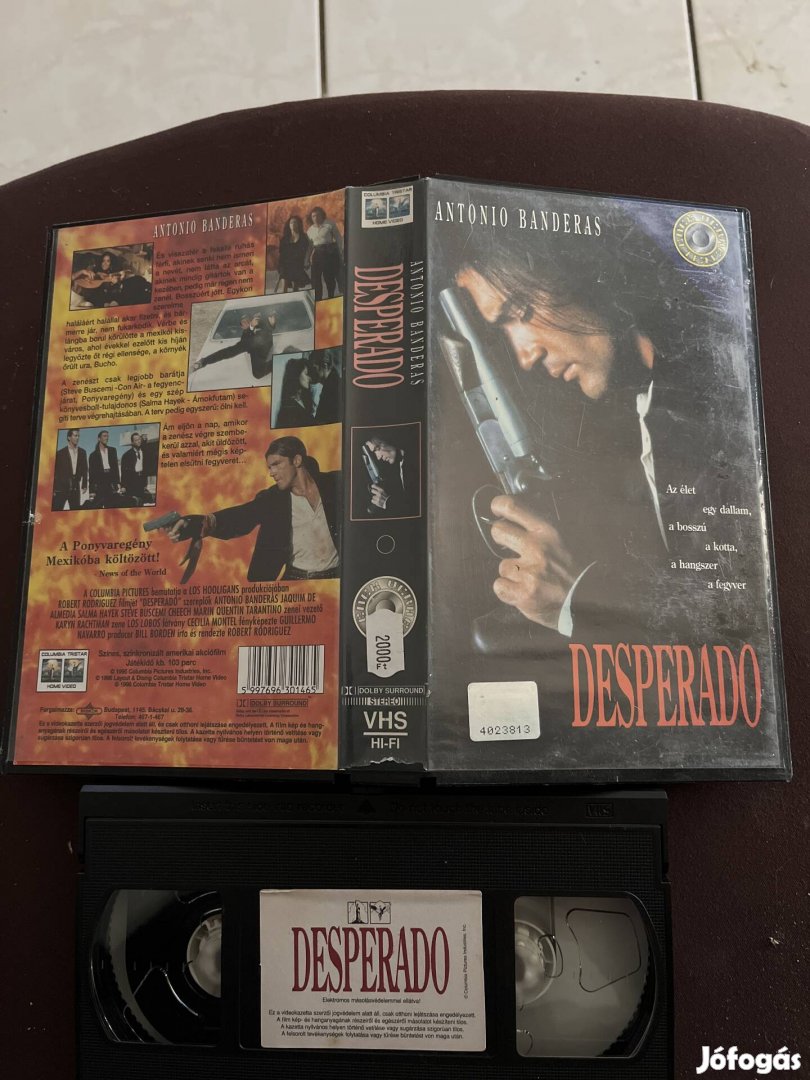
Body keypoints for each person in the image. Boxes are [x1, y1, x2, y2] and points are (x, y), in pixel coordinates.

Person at [443, 207, 744, 648]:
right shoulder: (649, 404)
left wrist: (572, 602)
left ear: (574, 267)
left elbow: (728, 636)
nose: (524, 356)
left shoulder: (719, 401)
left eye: (520, 310)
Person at [166, 436, 339, 582]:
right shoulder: (272, 499)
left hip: (337, 579)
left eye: (276, 464)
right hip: (296, 581)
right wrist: (195, 524)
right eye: (269, 467)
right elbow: (241, 517)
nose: (271, 473)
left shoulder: (336, 484)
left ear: (297, 460)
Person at [191, 311, 276, 381]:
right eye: (243, 322)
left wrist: (271, 324)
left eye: (247, 321)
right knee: (257, 374)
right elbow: (225, 353)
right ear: (242, 327)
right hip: (259, 355)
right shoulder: (246, 336)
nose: (246, 323)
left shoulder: (260, 326)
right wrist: (204, 361)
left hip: (267, 347)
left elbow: (268, 330)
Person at [363, 431, 418, 517]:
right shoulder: (400, 465)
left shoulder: (415, 458)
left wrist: (387, 502)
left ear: (386, 439)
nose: (378, 457)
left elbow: (415, 506)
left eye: (377, 449)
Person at [306, 206, 343, 301]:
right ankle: (318, 299)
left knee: (329, 277)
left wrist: (341, 252)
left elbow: (338, 238)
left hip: (329, 253)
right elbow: (310, 246)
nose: (316, 218)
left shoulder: (329, 224)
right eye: (313, 216)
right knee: (315, 279)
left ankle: (330, 296)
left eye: (318, 215)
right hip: (317, 255)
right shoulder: (310, 230)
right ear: (311, 218)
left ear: (322, 215)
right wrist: (307, 259)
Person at [274, 356, 315, 428]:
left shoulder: (304, 400)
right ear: (296, 374)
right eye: (306, 374)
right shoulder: (288, 407)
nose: (309, 378)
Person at [52, 428, 88, 510]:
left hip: (75, 486)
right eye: (75, 435)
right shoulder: (60, 453)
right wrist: (54, 488)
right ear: (69, 437)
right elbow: (55, 472)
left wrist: (84, 484)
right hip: (61, 487)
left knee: (75, 510)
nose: (77, 438)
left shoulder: (82, 452)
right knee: (57, 509)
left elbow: (85, 469)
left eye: (78, 436)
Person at [276, 215, 311, 293]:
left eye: (295, 222)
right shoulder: (284, 239)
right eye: (291, 222)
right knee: (284, 288)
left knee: (295, 288)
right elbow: (281, 254)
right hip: (285, 265)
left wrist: (307, 260)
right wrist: (280, 266)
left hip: (297, 264)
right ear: (289, 225)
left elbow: (309, 248)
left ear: (299, 224)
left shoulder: (303, 237)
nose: (293, 224)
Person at [88, 430, 121, 508]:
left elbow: (116, 468)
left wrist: (118, 482)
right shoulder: (93, 455)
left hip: (111, 481)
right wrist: (91, 490)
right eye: (104, 436)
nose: (107, 438)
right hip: (100, 482)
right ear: (99, 438)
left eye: (107, 436)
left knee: (112, 505)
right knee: (98, 506)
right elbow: (91, 473)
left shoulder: (113, 450)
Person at [309, 347, 341, 425]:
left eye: (314, 368)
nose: (313, 372)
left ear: (324, 365)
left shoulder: (333, 386)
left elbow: (325, 419)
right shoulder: (330, 382)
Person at [121, 432, 152, 505]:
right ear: (132, 442)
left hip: (141, 480)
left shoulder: (144, 452)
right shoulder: (127, 455)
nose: (139, 441)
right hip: (132, 481)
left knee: (141, 502)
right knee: (133, 502)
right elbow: (124, 472)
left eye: (139, 439)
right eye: (136, 440)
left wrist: (145, 482)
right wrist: (123, 486)